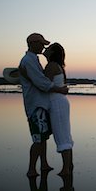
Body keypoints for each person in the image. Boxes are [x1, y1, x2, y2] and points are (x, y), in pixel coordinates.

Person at [19, 33, 68, 177]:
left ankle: (44, 164)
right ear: (32, 43)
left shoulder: (33, 59)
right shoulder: (28, 60)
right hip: (35, 105)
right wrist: (59, 89)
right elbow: (41, 82)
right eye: (41, 44)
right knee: (38, 138)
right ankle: (32, 169)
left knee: (43, 137)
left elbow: (38, 79)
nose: (43, 46)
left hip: (40, 104)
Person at [43, 42, 74, 176]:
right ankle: (69, 165)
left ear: (52, 53)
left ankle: (66, 169)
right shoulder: (59, 66)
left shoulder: (51, 66)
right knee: (65, 134)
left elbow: (44, 85)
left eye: (48, 48)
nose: (45, 49)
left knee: (61, 135)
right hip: (60, 102)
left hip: (56, 103)